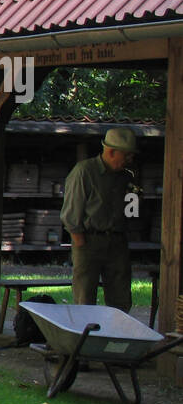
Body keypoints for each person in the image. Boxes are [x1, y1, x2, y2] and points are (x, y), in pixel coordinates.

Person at [60, 128, 136, 310]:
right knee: (85, 297)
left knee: (121, 297)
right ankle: (85, 336)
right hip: (88, 240)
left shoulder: (126, 177)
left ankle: (117, 334)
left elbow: (132, 212)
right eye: (125, 156)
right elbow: (71, 212)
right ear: (111, 152)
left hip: (117, 241)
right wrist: (80, 242)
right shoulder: (84, 171)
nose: (129, 160)